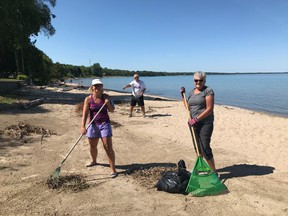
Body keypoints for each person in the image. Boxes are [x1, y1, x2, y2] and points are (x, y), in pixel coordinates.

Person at [180, 71, 217, 175]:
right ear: (194, 81)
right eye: (196, 80)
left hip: (205, 123)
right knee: (197, 147)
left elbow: (209, 109)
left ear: (204, 81)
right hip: (193, 124)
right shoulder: (192, 92)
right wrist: (182, 95)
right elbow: (188, 106)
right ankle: (201, 168)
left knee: (205, 147)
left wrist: (196, 119)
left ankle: (214, 172)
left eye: (200, 80)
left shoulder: (208, 91)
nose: (198, 82)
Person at [81, 79, 118, 178]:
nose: (97, 87)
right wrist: (83, 126)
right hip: (92, 125)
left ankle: (113, 169)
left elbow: (112, 110)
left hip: (104, 124)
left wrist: (108, 103)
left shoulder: (106, 97)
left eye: (99, 85)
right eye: (95, 86)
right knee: (92, 146)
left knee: (107, 146)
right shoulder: (88, 99)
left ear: (102, 87)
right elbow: (85, 114)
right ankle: (94, 161)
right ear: (92, 87)